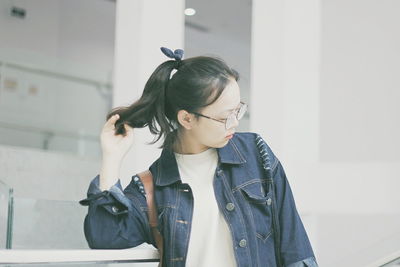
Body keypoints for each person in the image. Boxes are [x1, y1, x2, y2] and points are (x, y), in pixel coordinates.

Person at [79, 47, 318, 267]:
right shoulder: (152, 187)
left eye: (238, 110)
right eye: (225, 116)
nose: (234, 123)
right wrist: (112, 158)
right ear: (187, 119)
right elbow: (104, 238)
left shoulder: (256, 154)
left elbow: (295, 247)